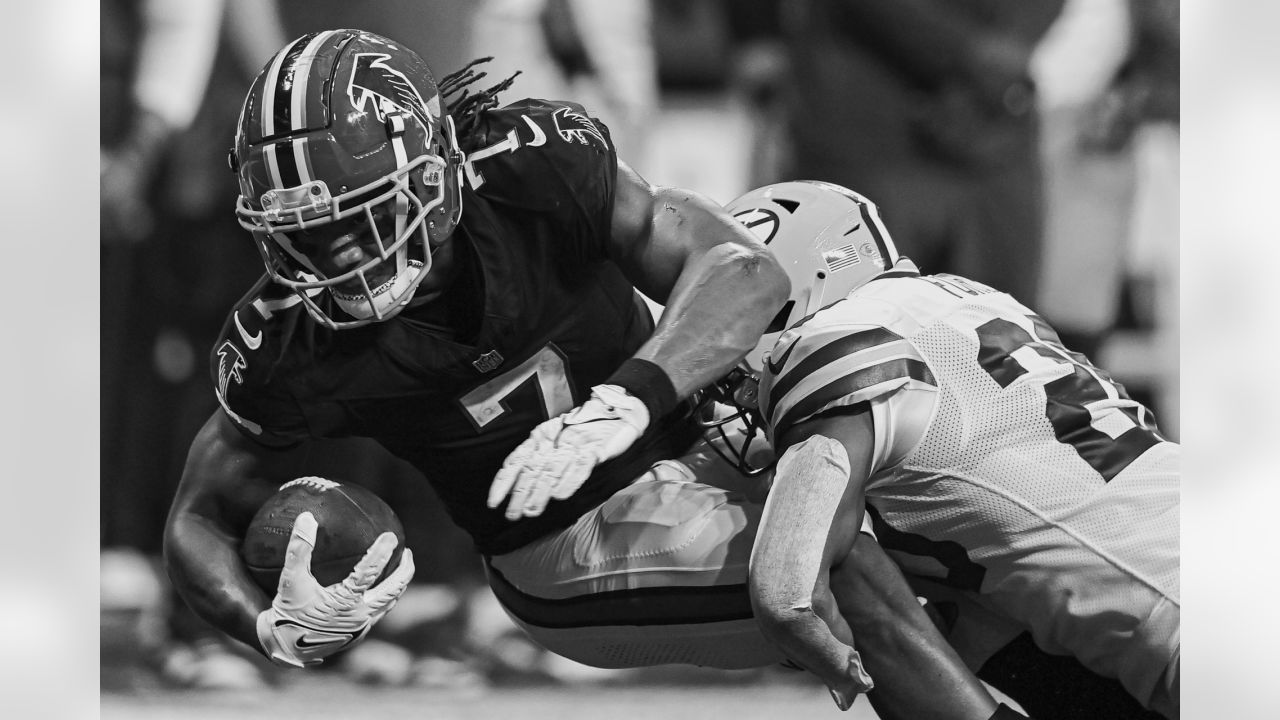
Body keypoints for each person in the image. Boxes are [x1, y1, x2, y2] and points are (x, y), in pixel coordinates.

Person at [162, 29, 1035, 720]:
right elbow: (196, 518)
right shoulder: (288, 338)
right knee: (826, 563)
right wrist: (268, 628)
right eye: (306, 235)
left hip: (699, 427)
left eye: (359, 217)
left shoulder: (528, 167)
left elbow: (744, 271)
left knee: (950, 533)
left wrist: (637, 394)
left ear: (432, 172)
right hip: (567, 544)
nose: (338, 255)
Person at [706, 180, 1178, 719]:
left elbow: (790, 591)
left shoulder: (832, 346)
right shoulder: (965, 299)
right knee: (939, 594)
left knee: (851, 570)